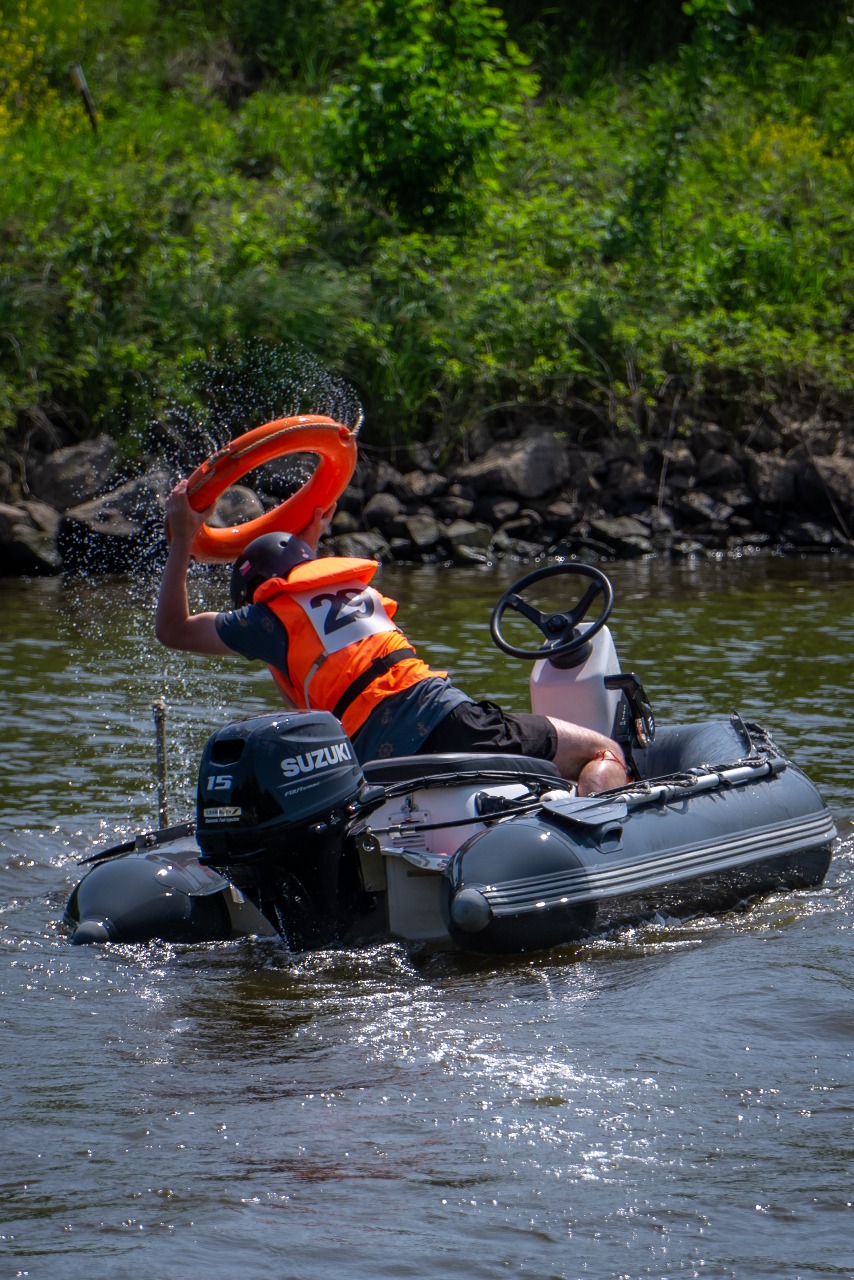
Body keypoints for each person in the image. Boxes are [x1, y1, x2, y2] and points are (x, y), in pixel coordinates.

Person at [156, 479, 629, 795]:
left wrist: (182, 539)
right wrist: (309, 530)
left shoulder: (266, 620)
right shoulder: (353, 592)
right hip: (444, 719)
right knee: (603, 750)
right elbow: (308, 595)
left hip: (366, 758)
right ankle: (591, 843)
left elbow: (173, 629)